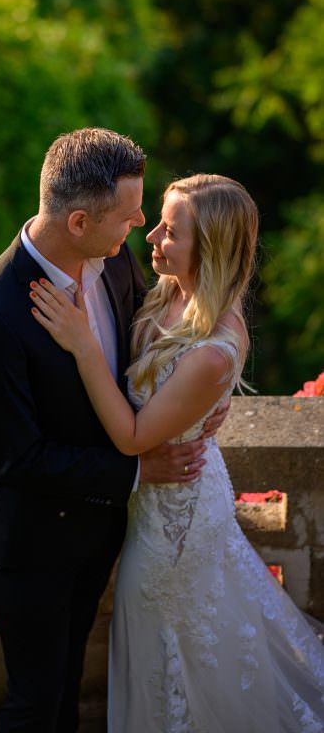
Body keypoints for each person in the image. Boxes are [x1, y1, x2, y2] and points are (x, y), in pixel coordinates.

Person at [0, 129, 227, 733]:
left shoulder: (108, 260)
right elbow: (18, 459)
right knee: (34, 701)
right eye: (129, 218)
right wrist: (136, 470)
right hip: (33, 544)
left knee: (70, 681)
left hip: (98, 530)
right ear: (79, 221)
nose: (140, 227)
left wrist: (209, 382)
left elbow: (155, 339)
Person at [30, 173, 324, 732]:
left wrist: (82, 344)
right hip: (157, 499)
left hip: (174, 527)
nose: (152, 238)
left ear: (208, 249)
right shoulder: (168, 292)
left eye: (171, 231)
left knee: (168, 653)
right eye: (158, 222)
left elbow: (133, 439)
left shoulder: (214, 347)